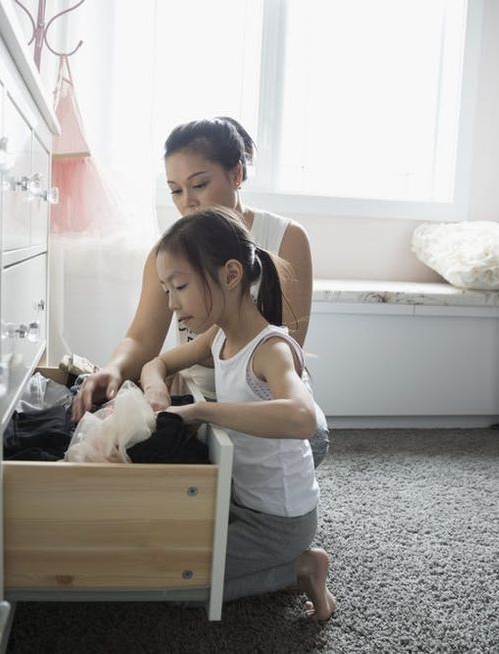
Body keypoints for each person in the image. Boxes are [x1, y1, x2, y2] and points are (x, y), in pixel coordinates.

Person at [73, 116, 329, 467]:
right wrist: (115, 369)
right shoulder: (168, 253)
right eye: (176, 190)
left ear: (236, 175)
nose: (187, 202)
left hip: (264, 402)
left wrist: (189, 359)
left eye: (199, 185)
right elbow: (142, 339)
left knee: (301, 446)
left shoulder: (287, 237)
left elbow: (286, 345)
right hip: (200, 394)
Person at [139, 207, 335, 620]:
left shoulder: (271, 350)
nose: (172, 304)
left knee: (178, 586)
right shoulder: (219, 337)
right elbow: (157, 363)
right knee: (167, 547)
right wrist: (156, 387)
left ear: (230, 275)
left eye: (179, 287)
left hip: (280, 521)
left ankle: (300, 567)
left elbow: (303, 418)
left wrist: (204, 411)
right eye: (166, 290)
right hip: (244, 500)